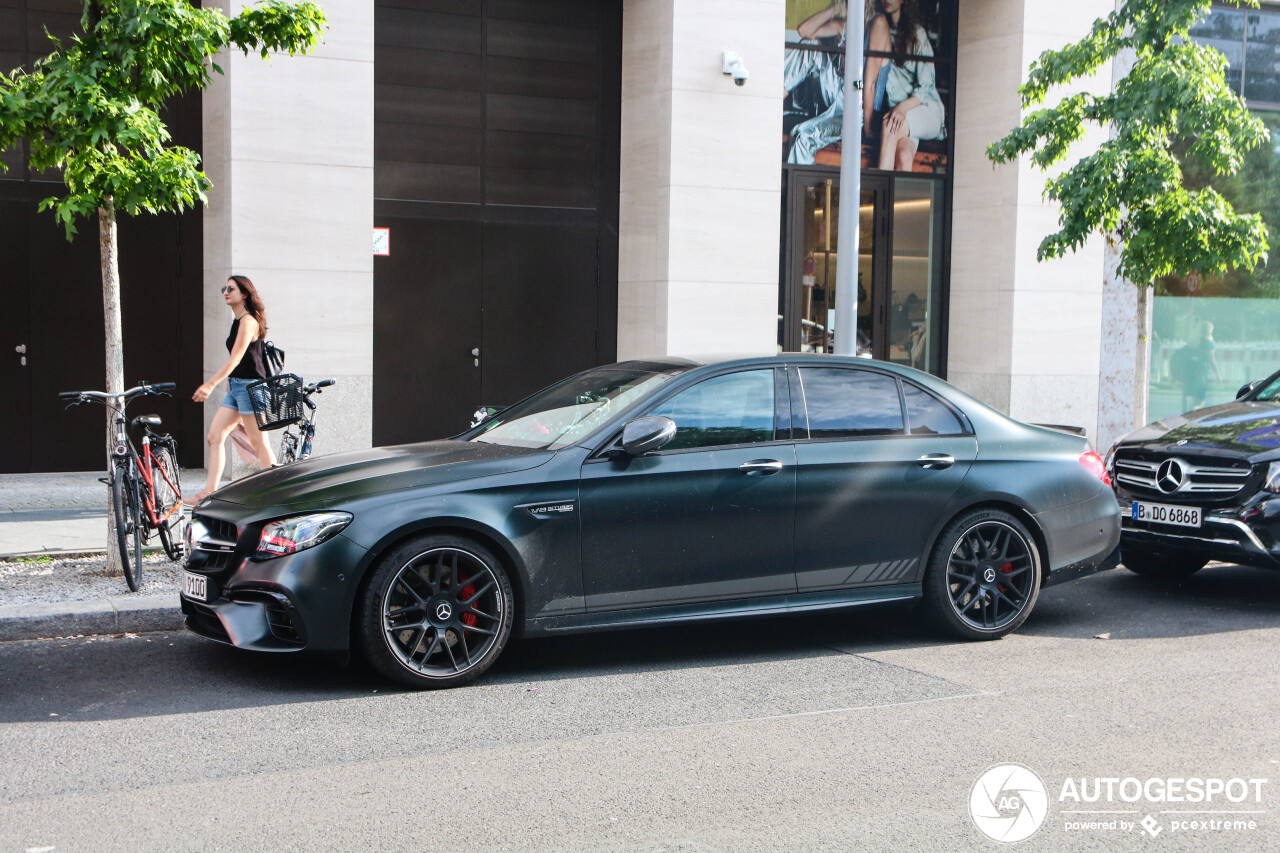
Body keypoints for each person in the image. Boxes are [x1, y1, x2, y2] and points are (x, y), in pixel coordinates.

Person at [190, 275, 275, 503]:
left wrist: (210, 384)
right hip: (237, 387)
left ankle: (276, 493)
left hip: (251, 388)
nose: (226, 292)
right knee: (215, 436)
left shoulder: (248, 322)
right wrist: (230, 382)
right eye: (224, 288)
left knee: (259, 443)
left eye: (231, 288)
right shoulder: (237, 320)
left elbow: (236, 359)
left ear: (244, 294)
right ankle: (209, 492)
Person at [866, 0, 946, 171]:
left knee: (890, 126)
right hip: (901, 115)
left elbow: (927, 87)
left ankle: (880, 189)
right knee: (904, 156)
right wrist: (855, 86)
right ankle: (898, 197)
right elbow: (867, 81)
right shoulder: (878, 30)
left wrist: (902, 108)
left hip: (925, 108)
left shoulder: (917, 34)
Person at [1177, 320, 1220, 411]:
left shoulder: (1193, 340)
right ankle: (1193, 412)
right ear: (1210, 331)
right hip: (1201, 373)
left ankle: (1190, 417)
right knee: (1200, 402)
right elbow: (1212, 360)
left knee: (1194, 399)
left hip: (1190, 372)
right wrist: (1218, 375)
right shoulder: (1209, 343)